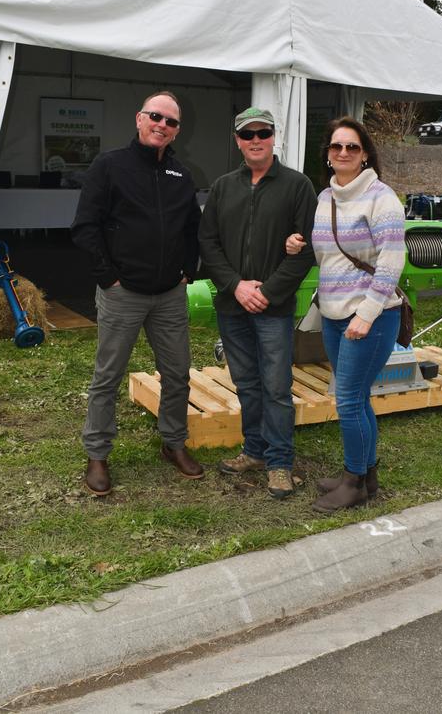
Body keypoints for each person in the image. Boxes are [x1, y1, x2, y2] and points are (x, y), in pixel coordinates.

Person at [71, 91, 203, 495]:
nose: (162, 125)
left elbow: (192, 230)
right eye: (155, 117)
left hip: (168, 295)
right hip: (122, 293)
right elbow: (85, 226)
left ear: (177, 130)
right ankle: (97, 454)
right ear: (139, 118)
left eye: (171, 122)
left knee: (178, 373)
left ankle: (173, 443)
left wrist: (188, 271)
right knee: (107, 376)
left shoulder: (182, 175)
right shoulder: (109, 166)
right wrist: (108, 277)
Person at [286, 116, 405, 513]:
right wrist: (295, 244)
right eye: (336, 147)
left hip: (369, 316)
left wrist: (366, 314)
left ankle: (353, 483)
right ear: (328, 155)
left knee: (349, 400)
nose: (343, 153)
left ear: (365, 153)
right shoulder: (325, 198)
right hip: (334, 314)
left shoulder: (381, 197)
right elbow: (326, 255)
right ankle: (366, 476)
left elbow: (391, 262)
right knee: (359, 398)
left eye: (351, 147)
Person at [199, 107, 317, 499]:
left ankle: (280, 462)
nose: (255, 140)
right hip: (233, 306)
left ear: (273, 137)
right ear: (237, 141)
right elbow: (208, 243)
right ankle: (254, 450)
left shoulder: (298, 186)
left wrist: (266, 292)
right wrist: (235, 286)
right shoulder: (222, 187)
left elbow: (305, 250)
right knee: (246, 383)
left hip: (273, 308)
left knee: (277, 387)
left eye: (262, 133)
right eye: (247, 134)